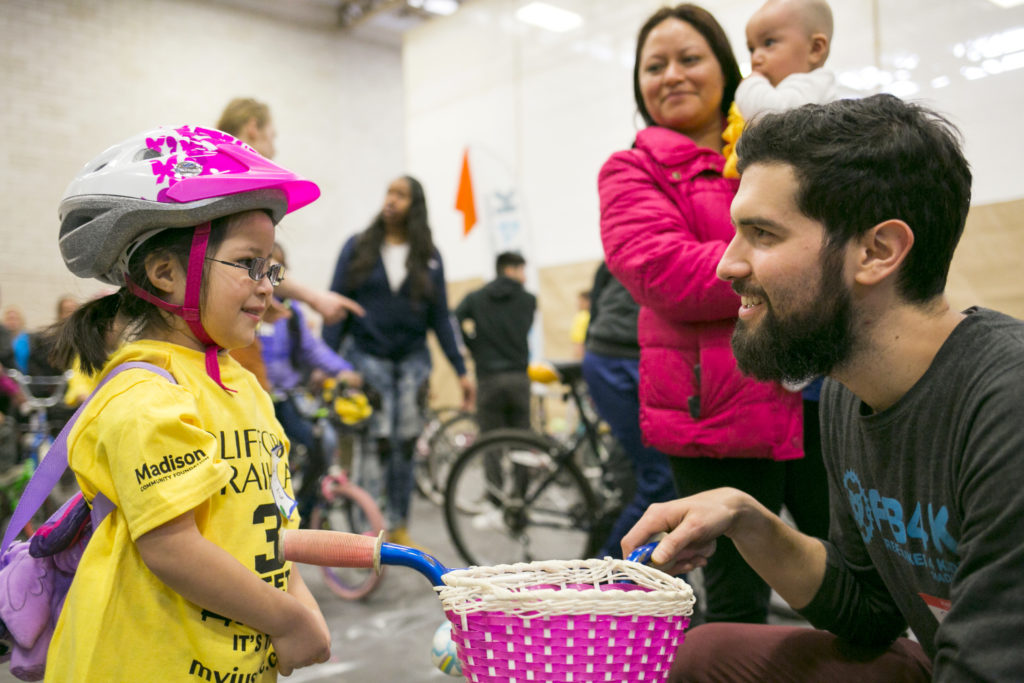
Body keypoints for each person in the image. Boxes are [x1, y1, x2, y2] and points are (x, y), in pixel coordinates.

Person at [623, 94, 1024, 681]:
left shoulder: (1005, 404)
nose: (726, 265)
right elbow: (868, 610)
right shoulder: (848, 389)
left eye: (761, 233)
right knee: (707, 654)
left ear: (877, 252)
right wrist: (747, 519)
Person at [44, 125, 330, 680]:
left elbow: (271, 521)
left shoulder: (243, 387)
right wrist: (289, 622)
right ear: (166, 273)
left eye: (272, 267)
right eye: (249, 263)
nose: (268, 285)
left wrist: (301, 604)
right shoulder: (144, 395)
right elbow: (173, 548)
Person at [598, 4, 820, 626]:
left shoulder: (776, 147)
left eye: (689, 59)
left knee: (853, 571)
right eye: (654, 65)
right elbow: (661, 271)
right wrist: (795, 264)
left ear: (727, 70)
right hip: (716, 409)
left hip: (819, 394)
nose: (671, 75)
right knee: (737, 600)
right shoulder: (631, 168)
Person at [322, 175, 473, 548]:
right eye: (389, 192)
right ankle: (367, 530)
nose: (391, 200)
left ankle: (398, 522)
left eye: (401, 195)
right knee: (376, 443)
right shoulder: (357, 247)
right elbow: (335, 304)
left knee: (405, 443)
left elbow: (441, 317)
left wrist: (460, 369)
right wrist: (325, 364)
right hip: (367, 359)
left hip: (413, 363)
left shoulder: (429, 256)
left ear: (415, 205)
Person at [215, 96, 364, 392]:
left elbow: (254, 266)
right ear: (253, 127)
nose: (274, 149)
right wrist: (313, 297)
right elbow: (255, 264)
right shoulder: (232, 179)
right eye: (273, 137)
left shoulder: (222, 178)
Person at [259, 242, 362, 523]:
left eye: (277, 270)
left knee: (323, 439)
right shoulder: (250, 309)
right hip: (258, 399)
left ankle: (304, 507)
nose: (269, 278)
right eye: (263, 265)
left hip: (288, 396)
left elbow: (313, 350)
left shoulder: (291, 313)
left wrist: (343, 371)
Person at [581, 262, 677, 559]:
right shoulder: (627, 250)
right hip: (618, 362)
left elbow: (595, 308)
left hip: (622, 359)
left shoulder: (613, 259)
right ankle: (605, 570)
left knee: (655, 476)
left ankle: (668, 572)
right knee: (659, 480)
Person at [722, 0, 836, 178]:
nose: (756, 58)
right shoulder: (796, 87)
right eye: (751, 49)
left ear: (815, 49)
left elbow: (772, 119)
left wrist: (750, 84)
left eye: (768, 43)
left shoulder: (812, 85)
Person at [454, 251, 535, 433]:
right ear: (509, 270)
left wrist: (473, 344)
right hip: (518, 375)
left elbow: (453, 320)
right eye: (522, 270)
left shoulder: (475, 298)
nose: (525, 276)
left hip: (488, 376)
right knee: (521, 437)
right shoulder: (528, 300)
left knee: (490, 440)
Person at [569, 290, 590, 360]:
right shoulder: (593, 316)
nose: (578, 304)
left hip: (583, 354)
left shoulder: (582, 316)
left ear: (588, 302)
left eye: (581, 301)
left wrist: (578, 357)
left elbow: (579, 341)